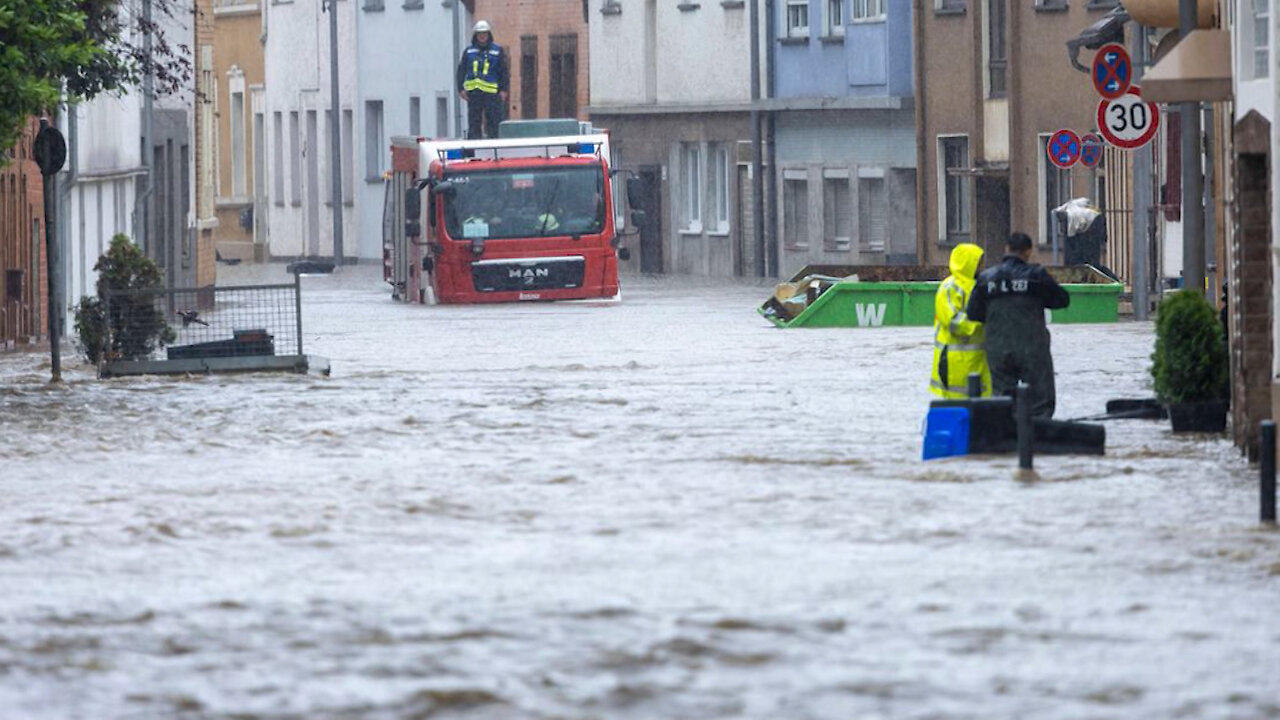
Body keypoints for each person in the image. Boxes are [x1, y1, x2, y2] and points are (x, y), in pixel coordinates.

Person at [966, 232, 1070, 418]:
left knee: (1002, 399)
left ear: (1007, 249)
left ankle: (1005, 439)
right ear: (1028, 251)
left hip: (998, 348)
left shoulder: (986, 278)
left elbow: (973, 313)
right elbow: (1062, 300)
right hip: (1032, 347)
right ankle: (1037, 437)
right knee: (1040, 400)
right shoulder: (1037, 276)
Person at [930, 243, 991, 399]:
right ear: (968, 262)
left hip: (978, 359)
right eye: (978, 261)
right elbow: (952, 321)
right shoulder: (950, 287)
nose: (981, 266)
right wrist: (981, 324)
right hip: (955, 360)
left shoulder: (979, 285)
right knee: (958, 405)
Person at [456, 21, 509, 139]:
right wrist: (460, 89)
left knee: (494, 123)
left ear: (489, 34)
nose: (482, 36)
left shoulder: (497, 51)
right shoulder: (468, 51)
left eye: (484, 33)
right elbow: (461, 70)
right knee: (474, 123)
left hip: (492, 94)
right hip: (474, 93)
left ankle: (494, 148)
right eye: (479, 33)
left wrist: (504, 90)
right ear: (475, 35)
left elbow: (503, 71)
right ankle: (474, 151)